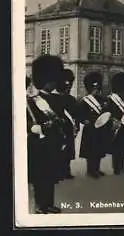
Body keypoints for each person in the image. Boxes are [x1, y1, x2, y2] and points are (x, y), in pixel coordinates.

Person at [27, 55, 66, 213]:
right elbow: (24, 121)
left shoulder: (56, 99)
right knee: (40, 176)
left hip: (52, 142)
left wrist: (61, 123)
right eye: (52, 80)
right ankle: (40, 206)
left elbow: (61, 117)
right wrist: (36, 128)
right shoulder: (31, 100)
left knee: (50, 174)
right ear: (44, 80)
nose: (54, 83)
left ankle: (49, 203)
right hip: (39, 144)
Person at [78, 72, 111, 179]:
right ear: (90, 88)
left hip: (101, 128)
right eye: (94, 88)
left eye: (97, 88)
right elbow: (80, 114)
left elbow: (106, 111)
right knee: (91, 151)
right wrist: (84, 120)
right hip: (91, 129)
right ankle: (91, 170)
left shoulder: (103, 100)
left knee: (99, 150)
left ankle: (97, 169)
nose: (96, 90)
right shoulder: (84, 101)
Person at [55, 69, 79, 180]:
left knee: (68, 150)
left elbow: (76, 114)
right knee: (59, 149)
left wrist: (76, 126)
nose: (69, 88)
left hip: (69, 128)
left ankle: (67, 170)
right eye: (67, 86)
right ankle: (59, 170)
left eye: (69, 85)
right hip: (60, 128)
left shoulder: (72, 99)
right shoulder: (55, 98)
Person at [106, 72, 124, 175]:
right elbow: (108, 112)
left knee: (122, 147)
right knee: (117, 148)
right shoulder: (111, 99)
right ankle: (117, 167)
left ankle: (121, 165)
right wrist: (114, 120)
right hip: (116, 126)